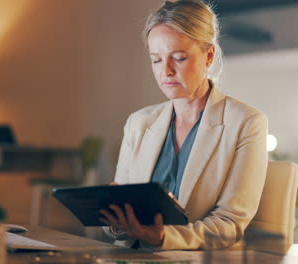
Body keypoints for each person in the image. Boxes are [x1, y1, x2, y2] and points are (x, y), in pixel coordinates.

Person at [99, 0, 268, 250]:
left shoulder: (246, 123)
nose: (165, 71)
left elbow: (230, 223)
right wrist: (117, 219)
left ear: (209, 55)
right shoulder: (139, 123)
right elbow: (116, 232)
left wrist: (163, 238)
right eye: (156, 60)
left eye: (178, 58)